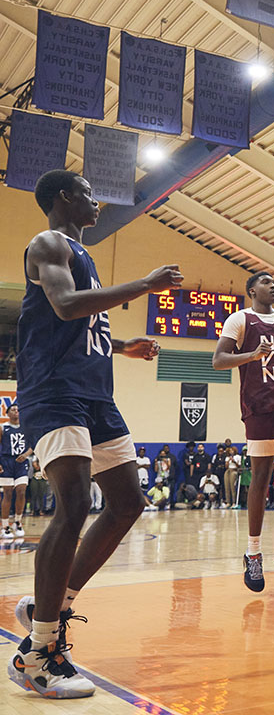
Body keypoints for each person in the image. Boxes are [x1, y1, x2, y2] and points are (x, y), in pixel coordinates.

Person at [8, 170, 182, 699]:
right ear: (64, 197)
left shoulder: (80, 255)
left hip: (96, 395)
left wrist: (124, 345)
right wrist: (145, 286)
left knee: (129, 501)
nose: (97, 202)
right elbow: (63, 306)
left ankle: (51, 605)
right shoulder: (48, 243)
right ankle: (38, 652)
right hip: (53, 390)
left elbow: (79, 323)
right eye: (87, 193)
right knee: (76, 504)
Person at [212, 271, 274, 591]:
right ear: (252, 290)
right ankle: (253, 552)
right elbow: (219, 360)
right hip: (257, 406)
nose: (273, 286)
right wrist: (252, 356)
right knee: (261, 479)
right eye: (266, 282)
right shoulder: (239, 320)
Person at [1, 404, 33, 538]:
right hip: (6, 461)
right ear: (7, 413)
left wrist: (25, 455)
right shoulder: (3, 428)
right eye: (13, 410)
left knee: (21, 491)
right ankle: (5, 526)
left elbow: (34, 444)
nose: (16, 412)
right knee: (7, 494)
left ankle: (18, 521)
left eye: (18, 410)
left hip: (21, 462)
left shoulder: (27, 427)